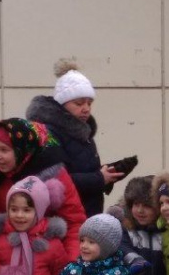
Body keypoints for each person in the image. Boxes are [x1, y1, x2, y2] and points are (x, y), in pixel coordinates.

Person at [27, 59, 125, 217]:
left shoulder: (82, 132)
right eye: (79, 103)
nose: (86, 109)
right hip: (66, 217)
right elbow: (55, 181)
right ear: (62, 104)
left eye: (89, 103)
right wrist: (99, 179)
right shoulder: (48, 135)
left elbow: (81, 168)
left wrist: (106, 174)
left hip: (84, 213)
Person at [0, 118, 86, 259]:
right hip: (9, 256)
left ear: (21, 149)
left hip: (48, 255)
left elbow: (75, 223)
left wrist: (70, 265)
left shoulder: (54, 175)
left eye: (4, 150)